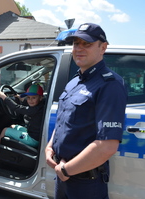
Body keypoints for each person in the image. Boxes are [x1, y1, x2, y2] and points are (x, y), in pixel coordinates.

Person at [45, 23, 127, 199]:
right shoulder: (74, 82)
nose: (79, 49)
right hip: (63, 176)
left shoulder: (110, 85)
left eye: (87, 44)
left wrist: (66, 169)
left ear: (102, 48)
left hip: (85, 183)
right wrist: (50, 146)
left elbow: (107, 146)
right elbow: (63, 121)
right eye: (76, 43)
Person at [0, 84, 45, 159]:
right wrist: (19, 97)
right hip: (34, 133)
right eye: (28, 97)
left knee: (5, 130)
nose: (30, 100)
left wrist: (4, 97)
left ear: (41, 98)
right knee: (12, 126)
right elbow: (29, 102)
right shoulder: (41, 105)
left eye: (33, 98)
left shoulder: (34, 110)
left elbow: (16, 108)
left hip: (33, 139)